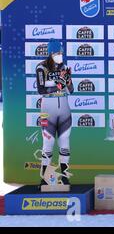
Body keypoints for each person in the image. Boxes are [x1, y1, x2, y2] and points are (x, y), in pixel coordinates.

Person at [35, 40, 74, 187]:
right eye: (57, 53)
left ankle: (64, 177)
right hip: (47, 112)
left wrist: (68, 81)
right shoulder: (41, 68)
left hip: (64, 111)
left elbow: (71, 90)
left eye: (61, 53)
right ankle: (44, 178)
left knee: (65, 144)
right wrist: (58, 86)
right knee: (48, 143)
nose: (60, 56)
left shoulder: (64, 67)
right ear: (50, 54)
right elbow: (41, 90)